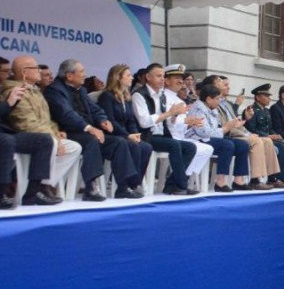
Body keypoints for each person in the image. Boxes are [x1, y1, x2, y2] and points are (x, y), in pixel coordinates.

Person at [45, 59, 137, 200]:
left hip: (87, 132)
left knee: (119, 142)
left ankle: (123, 187)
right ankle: (90, 187)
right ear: (69, 76)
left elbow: (95, 109)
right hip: (67, 132)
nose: (85, 75)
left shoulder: (81, 90)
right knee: (91, 141)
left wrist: (102, 119)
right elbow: (66, 114)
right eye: (81, 72)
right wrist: (89, 128)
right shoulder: (55, 90)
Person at [0, 49, 58, 208]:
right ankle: (0, 195)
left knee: (44, 140)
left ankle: (33, 193)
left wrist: (12, 102)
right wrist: (9, 102)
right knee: (5, 141)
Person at [1, 56, 82, 201]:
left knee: (74, 147)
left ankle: (45, 184)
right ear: (24, 72)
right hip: (20, 135)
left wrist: (56, 132)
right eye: (36, 68)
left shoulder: (35, 90)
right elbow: (26, 123)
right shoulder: (15, 91)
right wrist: (54, 137)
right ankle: (35, 190)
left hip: (42, 134)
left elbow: (46, 119)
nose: (39, 70)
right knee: (50, 142)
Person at [133, 63, 200, 195]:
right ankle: (181, 185)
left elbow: (167, 120)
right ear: (148, 77)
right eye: (159, 76)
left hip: (161, 134)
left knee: (190, 147)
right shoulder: (139, 95)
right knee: (174, 145)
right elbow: (144, 122)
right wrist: (170, 113)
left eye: (163, 76)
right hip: (146, 136)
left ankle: (171, 184)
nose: (162, 79)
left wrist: (175, 115)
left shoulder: (161, 95)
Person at [96, 64, 154, 195]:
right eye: (128, 75)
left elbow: (130, 120)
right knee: (131, 145)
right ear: (118, 77)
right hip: (112, 135)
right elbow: (110, 121)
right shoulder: (107, 97)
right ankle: (123, 186)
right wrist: (127, 135)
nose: (132, 78)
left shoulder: (126, 97)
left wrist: (135, 134)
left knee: (146, 147)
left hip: (125, 134)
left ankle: (135, 183)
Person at [186, 83, 251, 192]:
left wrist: (232, 126)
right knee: (227, 145)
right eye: (217, 99)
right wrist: (225, 128)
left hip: (211, 138)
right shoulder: (198, 109)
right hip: (197, 139)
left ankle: (238, 180)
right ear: (208, 99)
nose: (219, 101)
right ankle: (220, 182)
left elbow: (215, 129)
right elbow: (203, 132)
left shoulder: (213, 109)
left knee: (243, 145)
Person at [245, 84, 284, 186]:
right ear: (258, 97)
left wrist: (276, 134)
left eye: (269, 96)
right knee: (281, 147)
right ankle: (273, 178)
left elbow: (270, 128)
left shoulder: (266, 111)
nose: (269, 98)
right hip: (259, 139)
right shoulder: (252, 110)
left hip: (268, 139)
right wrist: (268, 136)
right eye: (266, 96)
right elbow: (251, 129)